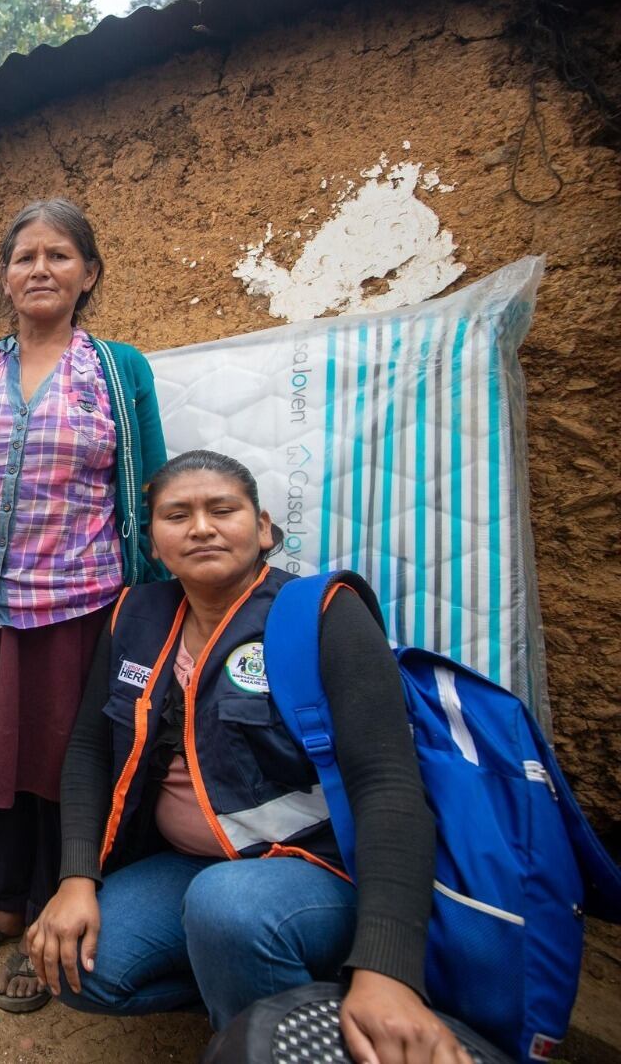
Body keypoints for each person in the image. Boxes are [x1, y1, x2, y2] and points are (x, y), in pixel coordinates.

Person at [28, 450, 470, 1064]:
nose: (201, 527)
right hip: (193, 867)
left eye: (222, 510)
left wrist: (385, 971)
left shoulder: (322, 614)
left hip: (317, 871)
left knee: (229, 909)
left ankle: (270, 1039)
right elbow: (87, 751)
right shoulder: (135, 615)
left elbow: (388, 787)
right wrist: (76, 879)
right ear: (154, 542)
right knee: (81, 964)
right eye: (177, 515)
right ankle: (257, 985)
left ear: (264, 528)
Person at [0, 199, 166, 1011]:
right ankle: (7, 900)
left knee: (63, 773)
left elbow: (149, 482)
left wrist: (148, 599)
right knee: (0, 772)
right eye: (25, 257)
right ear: (5, 277)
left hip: (76, 605)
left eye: (59, 256)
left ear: (88, 274)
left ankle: (54, 923)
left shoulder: (119, 370)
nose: (41, 269)